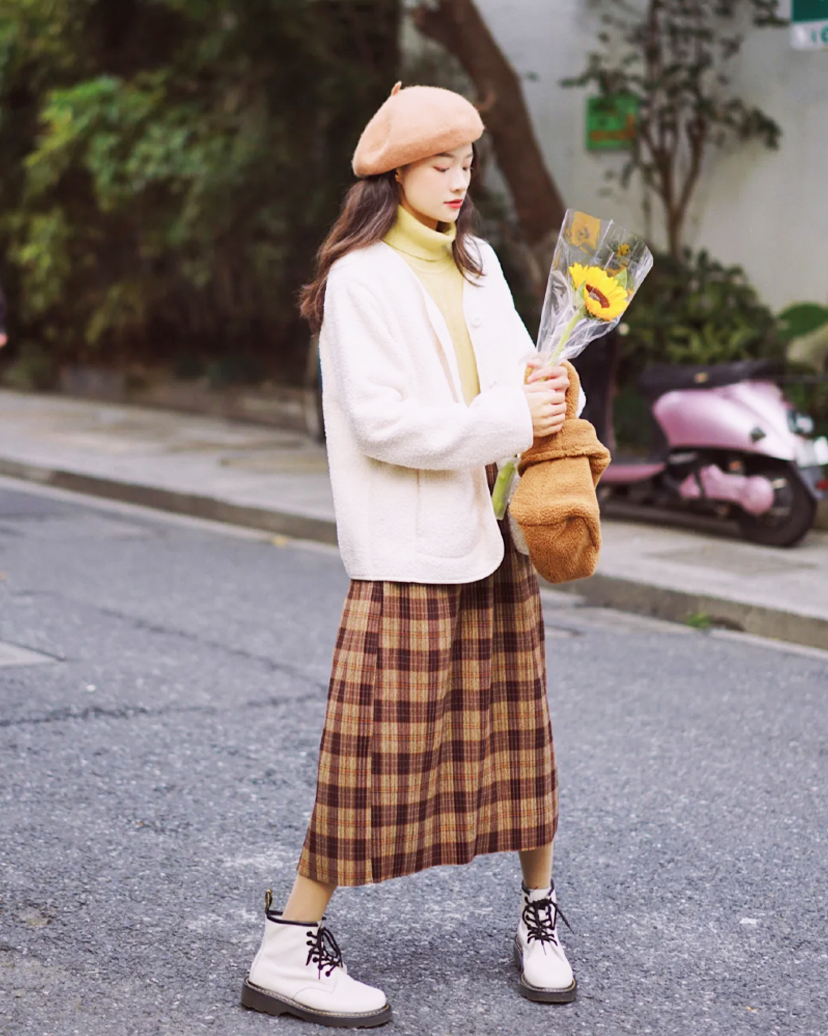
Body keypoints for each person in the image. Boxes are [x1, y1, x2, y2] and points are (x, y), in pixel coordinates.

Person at [241, 83, 576, 1028]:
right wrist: (514, 415)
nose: (459, 180)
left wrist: (555, 386)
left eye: (467, 162)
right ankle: (287, 948)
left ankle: (539, 914)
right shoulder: (361, 278)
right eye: (440, 164)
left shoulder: (478, 263)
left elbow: (518, 374)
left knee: (523, 749)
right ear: (394, 173)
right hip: (407, 555)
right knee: (369, 763)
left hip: (494, 538)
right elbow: (383, 424)